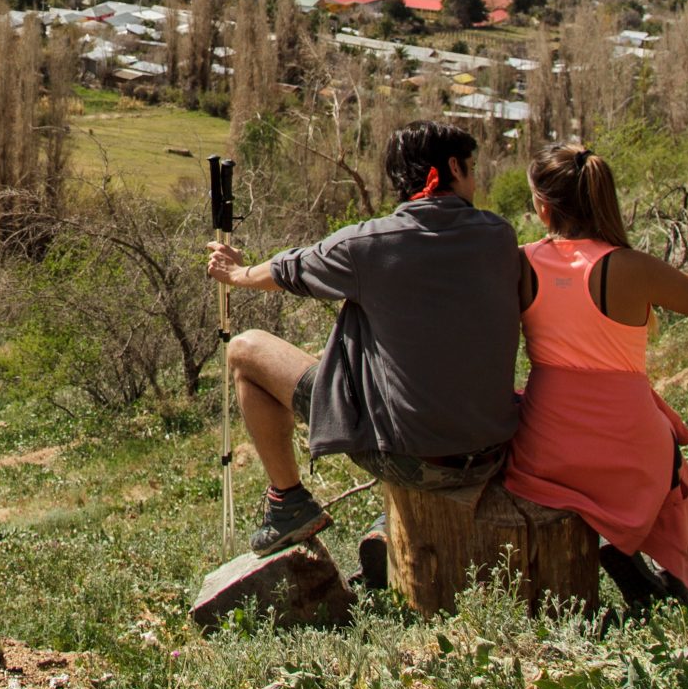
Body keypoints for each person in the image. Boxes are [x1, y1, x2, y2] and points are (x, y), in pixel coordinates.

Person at [205, 120, 523, 556]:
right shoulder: (500, 235)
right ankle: (382, 521)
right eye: (471, 167)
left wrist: (236, 273)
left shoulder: (369, 244)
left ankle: (288, 503)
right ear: (451, 167)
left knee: (245, 351)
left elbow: (288, 269)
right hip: (492, 454)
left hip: (414, 462)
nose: (475, 179)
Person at [501, 144, 688, 605]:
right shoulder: (632, 268)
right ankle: (676, 580)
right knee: (675, 478)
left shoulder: (519, 262)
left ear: (543, 208)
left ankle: (623, 551)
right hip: (629, 447)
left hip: (544, 452)